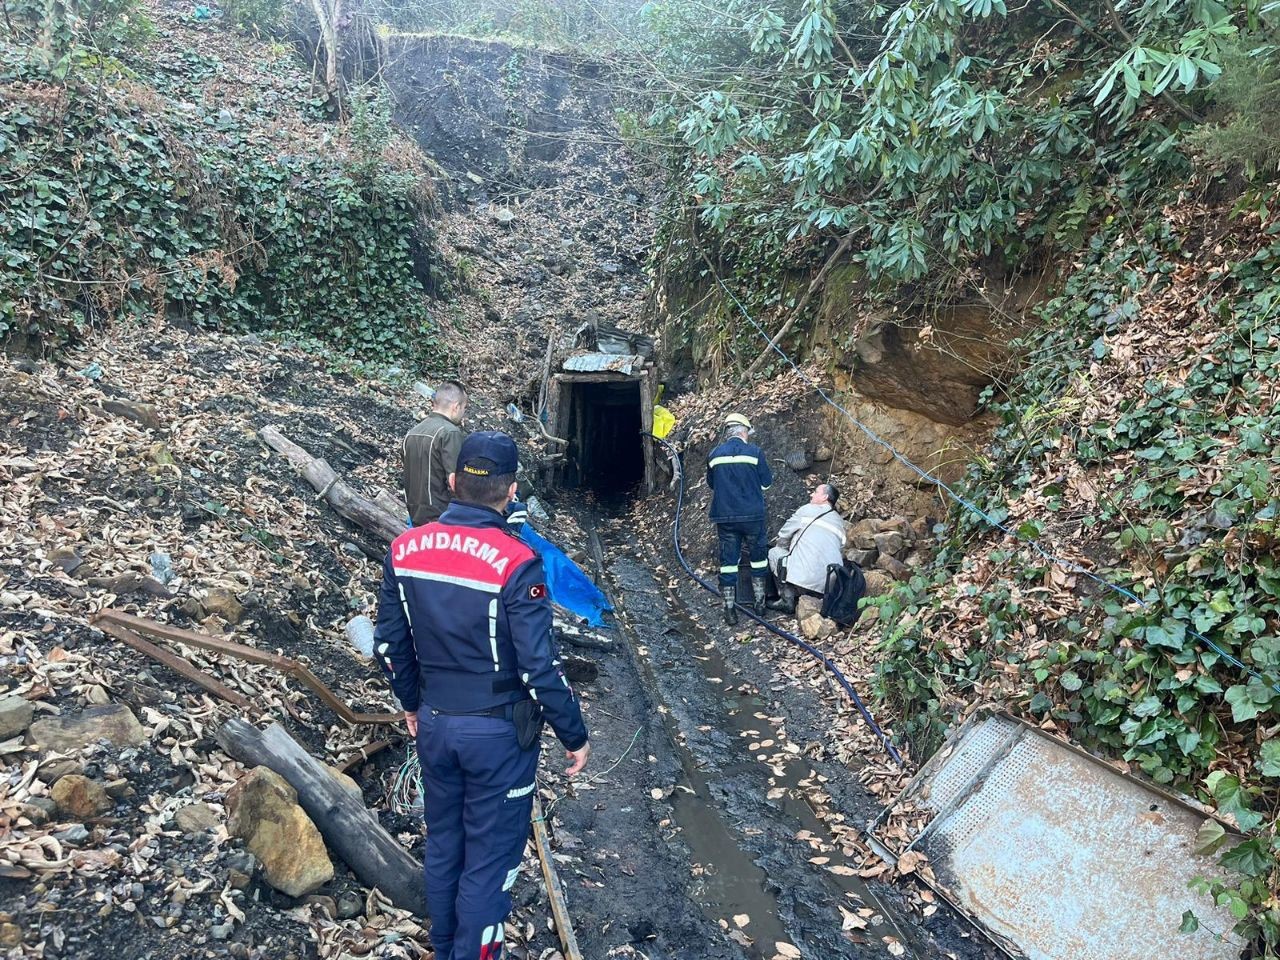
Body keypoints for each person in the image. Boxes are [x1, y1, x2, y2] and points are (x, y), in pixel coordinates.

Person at [372, 431, 590, 960]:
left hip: (436, 721)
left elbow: (388, 643)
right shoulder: (518, 563)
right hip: (497, 735)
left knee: (445, 845)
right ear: (511, 491)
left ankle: (446, 949)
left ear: (452, 482)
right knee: (490, 863)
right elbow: (540, 666)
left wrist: (409, 703)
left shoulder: (406, 548)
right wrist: (573, 733)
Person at [707, 413, 773, 625]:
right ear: (744, 431)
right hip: (753, 516)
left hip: (725, 517)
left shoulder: (714, 454)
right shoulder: (755, 452)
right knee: (758, 557)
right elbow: (766, 484)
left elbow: (712, 484)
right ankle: (760, 605)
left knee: (728, 562)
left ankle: (729, 611)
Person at [767, 483, 847, 614]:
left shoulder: (807, 510)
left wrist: (786, 551)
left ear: (825, 497)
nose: (811, 494)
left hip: (803, 579)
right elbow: (841, 547)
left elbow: (783, 536)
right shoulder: (839, 522)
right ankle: (809, 596)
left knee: (774, 553)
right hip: (827, 586)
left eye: (815, 492)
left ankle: (787, 599)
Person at [404, 380, 467, 526]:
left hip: (414, 517)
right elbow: (454, 482)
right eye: (464, 407)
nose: (463, 413)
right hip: (442, 518)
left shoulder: (412, 433)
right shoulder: (450, 432)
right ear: (456, 407)